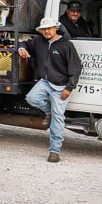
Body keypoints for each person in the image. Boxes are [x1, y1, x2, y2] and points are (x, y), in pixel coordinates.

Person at [18, 17, 82, 163]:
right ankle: (49, 112)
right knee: (31, 98)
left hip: (61, 86)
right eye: (44, 29)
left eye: (49, 28)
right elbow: (24, 43)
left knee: (58, 118)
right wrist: (22, 48)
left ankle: (54, 151)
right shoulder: (39, 41)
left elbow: (76, 68)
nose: (47, 31)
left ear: (56, 28)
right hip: (45, 82)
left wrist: (69, 87)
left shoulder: (66, 45)